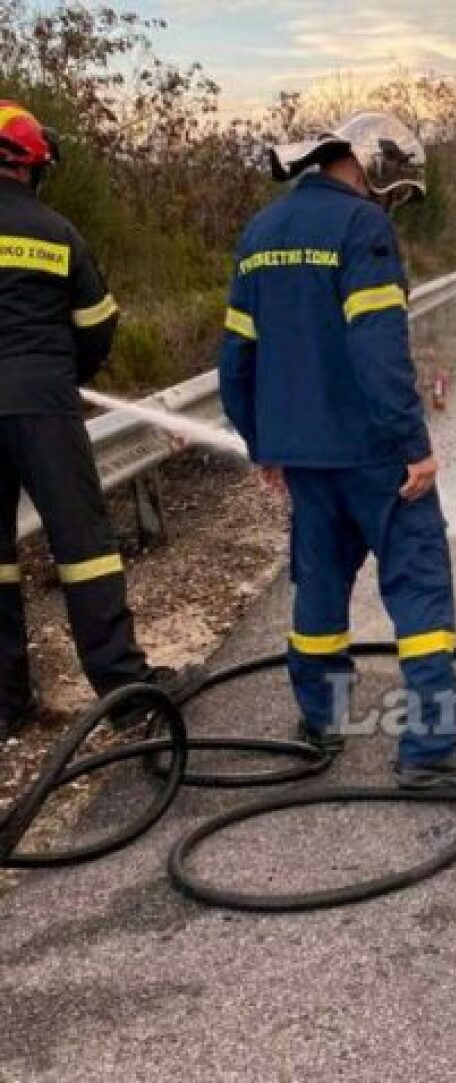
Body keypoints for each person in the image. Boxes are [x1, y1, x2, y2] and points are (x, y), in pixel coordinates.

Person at [218, 112, 456, 788]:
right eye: (394, 186)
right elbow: (379, 350)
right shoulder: (362, 228)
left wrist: (263, 443)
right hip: (375, 453)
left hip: (303, 457)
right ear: (370, 163)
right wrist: (414, 446)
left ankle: (321, 722)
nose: (392, 203)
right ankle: (429, 752)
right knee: (420, 588)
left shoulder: (261, 233)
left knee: (319, 587)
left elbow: (237, 357)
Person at [0, 101, 194, 738]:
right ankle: (127, 692)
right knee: (83, 549)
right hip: (44, 404)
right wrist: (63, 375)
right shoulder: (57, 232)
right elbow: (98, 323)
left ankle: (8, 701)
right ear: (34, 164)